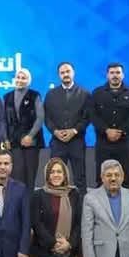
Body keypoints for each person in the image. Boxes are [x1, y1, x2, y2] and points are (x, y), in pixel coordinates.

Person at [90, 63, 129, 187]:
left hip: (125, 142)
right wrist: (106, 130)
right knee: (102, 178)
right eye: (112, 73)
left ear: (123, 75)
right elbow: (92, 115)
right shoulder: (97, 93)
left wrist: (121, 131)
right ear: (107, 75)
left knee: (126, 178)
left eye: (118, 73)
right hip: (103, 142)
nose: (115, 75)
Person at [44, 62, 90, 190]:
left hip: (77, 141)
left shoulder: (85, 93)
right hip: (57, 142)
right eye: (62, 72)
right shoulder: (51, 94)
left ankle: (81, 203)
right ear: (59, 75)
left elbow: (87, 117)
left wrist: (74, 131)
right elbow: (46, 117)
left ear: (73, 73)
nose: (65, 74)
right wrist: (55, 131)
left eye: (68, 71)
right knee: (55, 178)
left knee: (80, 177)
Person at [3, 67, 45, 189]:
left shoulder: (35, 95)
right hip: (13, 142)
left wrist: (30, 136)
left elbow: (40, 118)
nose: (20, 80)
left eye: (23, 78)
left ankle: (30, 201)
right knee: (16, 175)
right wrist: (5, 139)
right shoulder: (7, 97)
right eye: (18, 77)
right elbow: (3, 120)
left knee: (30, 176)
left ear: (28, 81)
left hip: (31, 142)